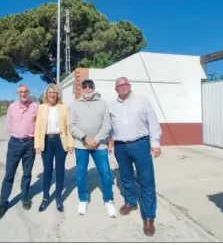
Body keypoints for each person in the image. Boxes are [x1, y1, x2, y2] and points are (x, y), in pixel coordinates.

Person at [108, 77, 162, 236]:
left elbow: (153, 122)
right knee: (126, 177)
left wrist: (156, 143)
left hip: (141, 144)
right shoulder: (111, 106)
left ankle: (149, 217)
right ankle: (131, 202)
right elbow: (110, 126)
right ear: (116, 89)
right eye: (119, 85)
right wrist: (108, 142)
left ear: (130, 86)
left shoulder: (142, 101)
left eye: (125, 84)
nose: (123, 87)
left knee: (146, 180)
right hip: (121, 146)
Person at [68, 79, 116, 217]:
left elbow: (107, 125)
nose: (87, 88)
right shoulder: (75, 105)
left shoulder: (102, 104)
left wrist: (96, 140)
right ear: (81, 89)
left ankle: (108, 200)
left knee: (106, 173)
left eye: (90, 86)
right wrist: (85, 138)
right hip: (81, 145)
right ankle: (83, 199)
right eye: (85, 86)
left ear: (94, 88)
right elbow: (71, 125)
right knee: (81, 173)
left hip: (99, 145)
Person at [0, 84, 38, 220]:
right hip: (14, 143)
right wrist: (16, 133)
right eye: (21, 92)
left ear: (29, 92)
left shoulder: (36, 107)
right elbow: (8, 124)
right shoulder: (12, 107)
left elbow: (40, 124)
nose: (23, 94)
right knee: (9, 174)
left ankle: (25, 197)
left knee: (27, 173)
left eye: (25, 91)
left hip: (30, 144)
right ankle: (2, 203)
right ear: (17, 93)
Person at [34, 84, 74, 212]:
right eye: (50, 92)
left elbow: (69, 127)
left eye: (54, 93)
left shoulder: (64, 107)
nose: (52, 95)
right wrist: (37, 145)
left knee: (60, 170)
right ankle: (45, 197)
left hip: (60, 141)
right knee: (47, 170)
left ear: (57, 95)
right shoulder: (41, 108)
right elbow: (38, 128)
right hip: (46, 141)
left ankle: (58, 197)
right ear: (46, 94)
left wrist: (70, 144)